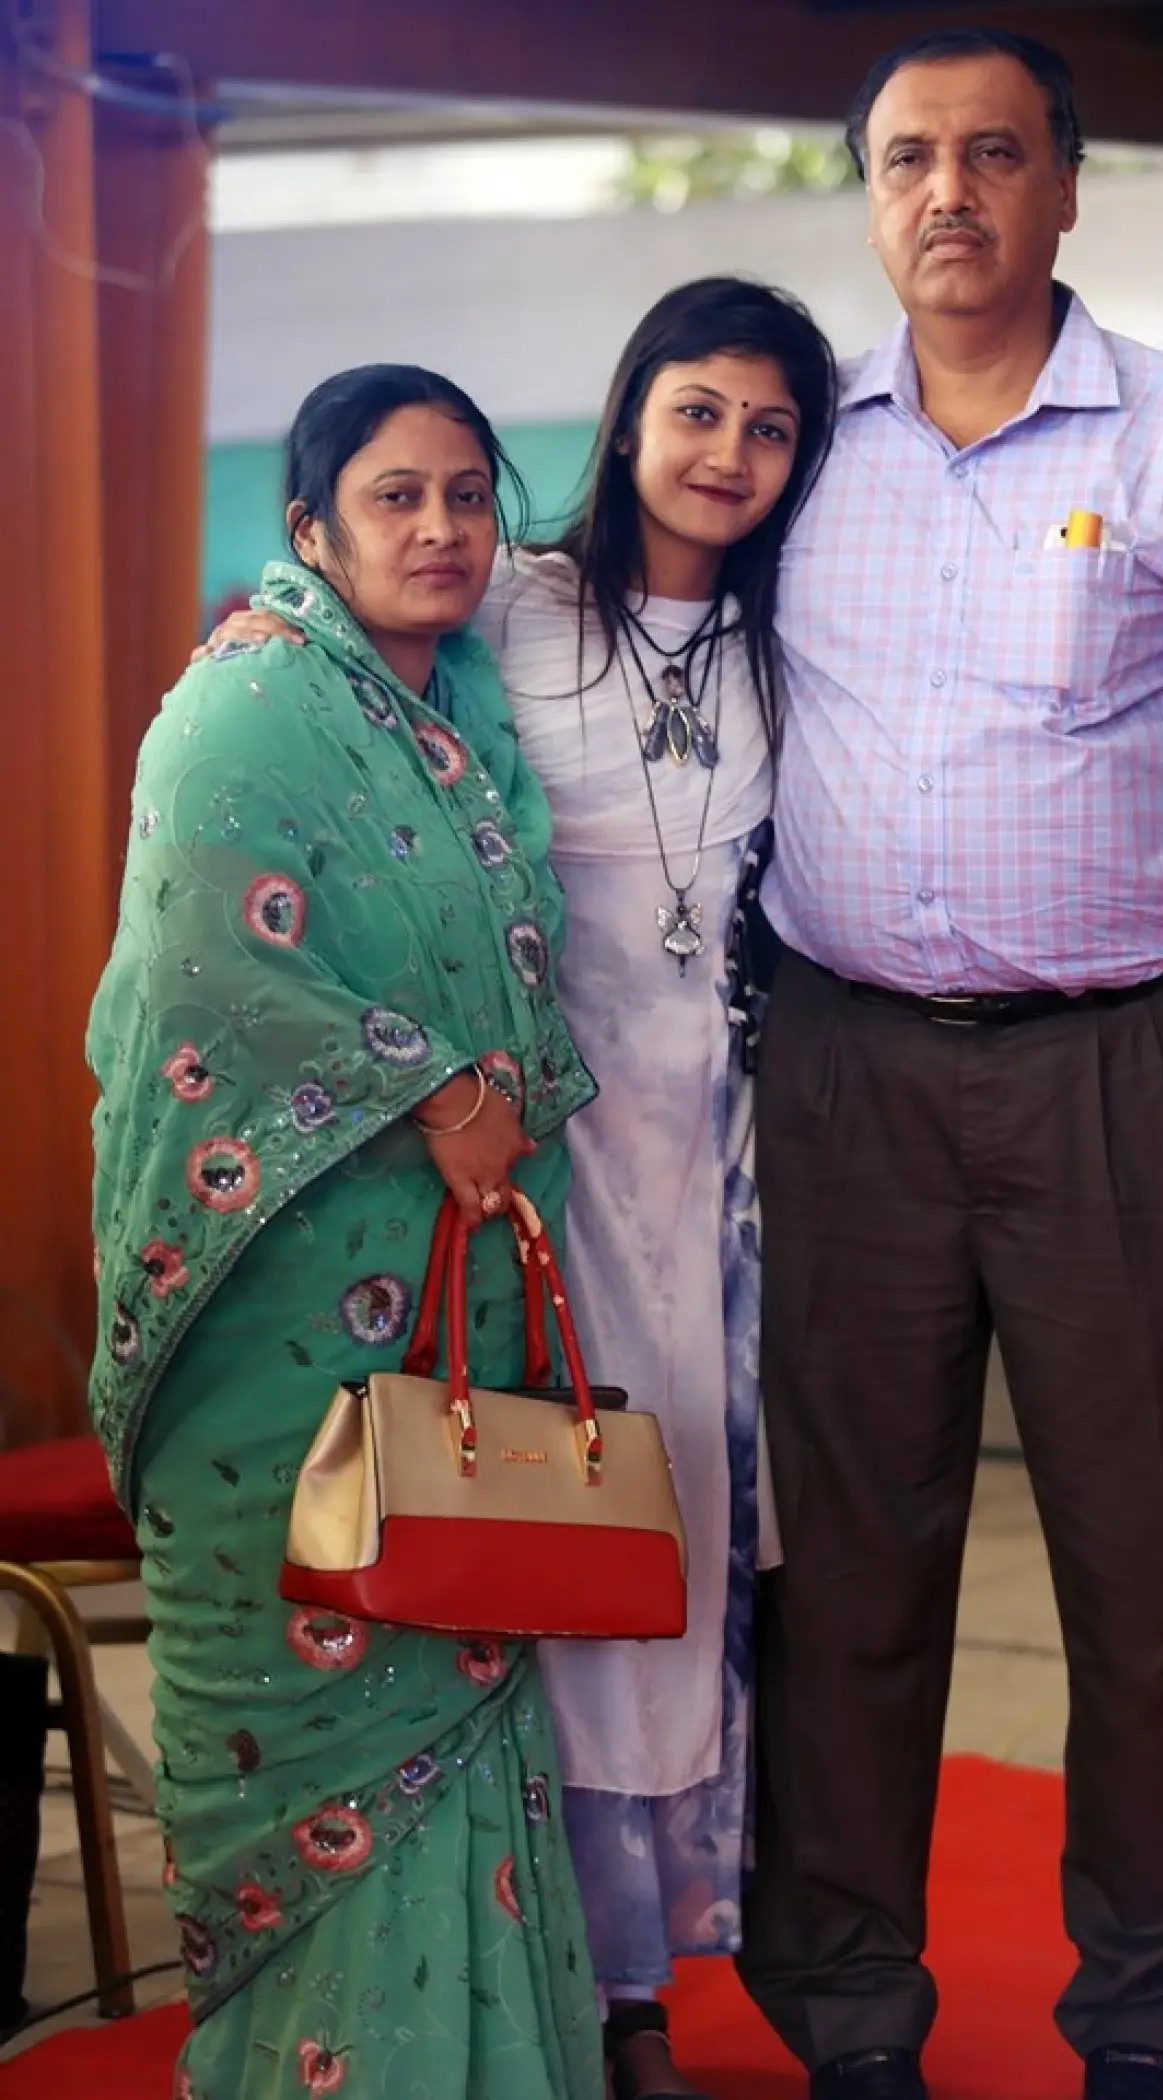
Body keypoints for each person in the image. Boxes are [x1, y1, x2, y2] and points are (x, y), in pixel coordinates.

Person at [197, 277, 1163, 2100]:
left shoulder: (792, 629)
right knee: (534, 1523)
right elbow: (336, 746)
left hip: (749, 1153)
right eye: (698, 412)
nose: (731, 456)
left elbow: (985, 743)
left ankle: (664, 1964)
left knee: (694, 1552)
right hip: (540, 1150)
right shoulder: (507, 603)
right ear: (627, 419)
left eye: (772, 429)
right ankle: (589, 1993)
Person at [734, 30, 1163, 2100]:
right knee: (843, 1574)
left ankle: (1146, 2030)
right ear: (868, 193)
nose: (948, 192)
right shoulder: (798, 443)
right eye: (908, 157)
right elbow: (614, 618)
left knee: (1147, 1582)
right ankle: (847, 2021)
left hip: (1116, 1071)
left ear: (1065, 187)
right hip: (839, 1076)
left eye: (992, 153)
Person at [88, 366, 603, 2100]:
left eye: (469, 495)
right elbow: (205, 971)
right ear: (310, 527)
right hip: (272, 1310)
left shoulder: (459, 712)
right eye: (397, 496)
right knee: (318, 1701)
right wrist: (437, 1088)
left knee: (454, 1652)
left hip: (445, 1292)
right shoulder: (242, 703)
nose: (442, 529)